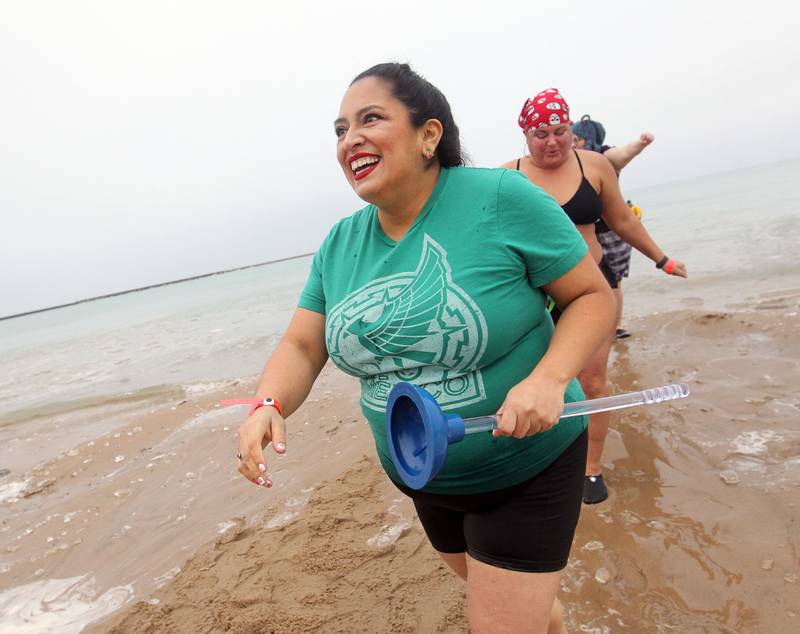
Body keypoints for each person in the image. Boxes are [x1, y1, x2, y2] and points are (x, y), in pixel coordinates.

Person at [235, 64, 615, 633]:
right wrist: (267, 405)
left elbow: (591, 296)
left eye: (370, 119)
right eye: (340, 130)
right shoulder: (341, 243)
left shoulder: (501, 197)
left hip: (526, 465)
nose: (349, 140)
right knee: (524, 610)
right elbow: (303, 343)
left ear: (429, 135)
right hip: (423, 475)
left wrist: (550, 379)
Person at [501, 89, 687, 505]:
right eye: (541, 134)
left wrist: (662, 260)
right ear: (526, 137)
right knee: (533, 378)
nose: (552, 141)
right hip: (533, 292)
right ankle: (540, 457)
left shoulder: (597, 165)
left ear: (571, 130)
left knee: (592, 380)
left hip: (594, 287)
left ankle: (590, 467)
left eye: (560, 131)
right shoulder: (507, 177)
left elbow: (621, 220)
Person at [572, 115, 655, 338]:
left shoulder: (603, 157)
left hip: (611, 233)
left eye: (577, 139)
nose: (572, 143)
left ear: (590, 141)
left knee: (613, 282)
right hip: (584, 235)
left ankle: (613, 327)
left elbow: (622, 154)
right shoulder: (568, 161)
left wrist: (639, 144)